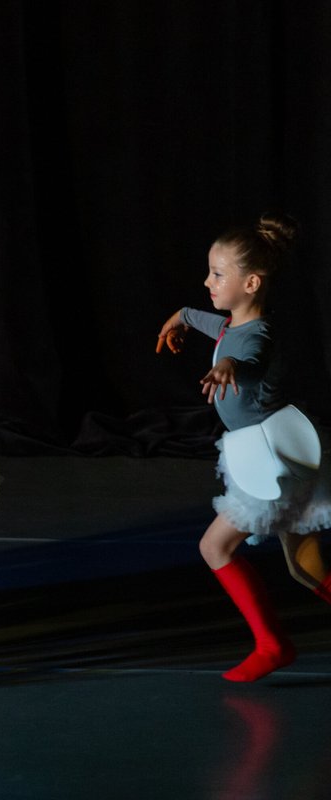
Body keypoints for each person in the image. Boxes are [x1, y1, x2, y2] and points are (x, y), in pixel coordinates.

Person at [155, 213, 331, 681]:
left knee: (214, 547)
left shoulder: (257, 337)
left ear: (251, 283)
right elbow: (218, 328)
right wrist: (183, 316)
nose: (207, 281)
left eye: (218, 274)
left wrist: (230, 366)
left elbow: (248, 357)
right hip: (284, 455)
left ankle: (272, 645)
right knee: (307, 567)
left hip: (272, 460)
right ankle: (273, 644)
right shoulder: (234, 325)